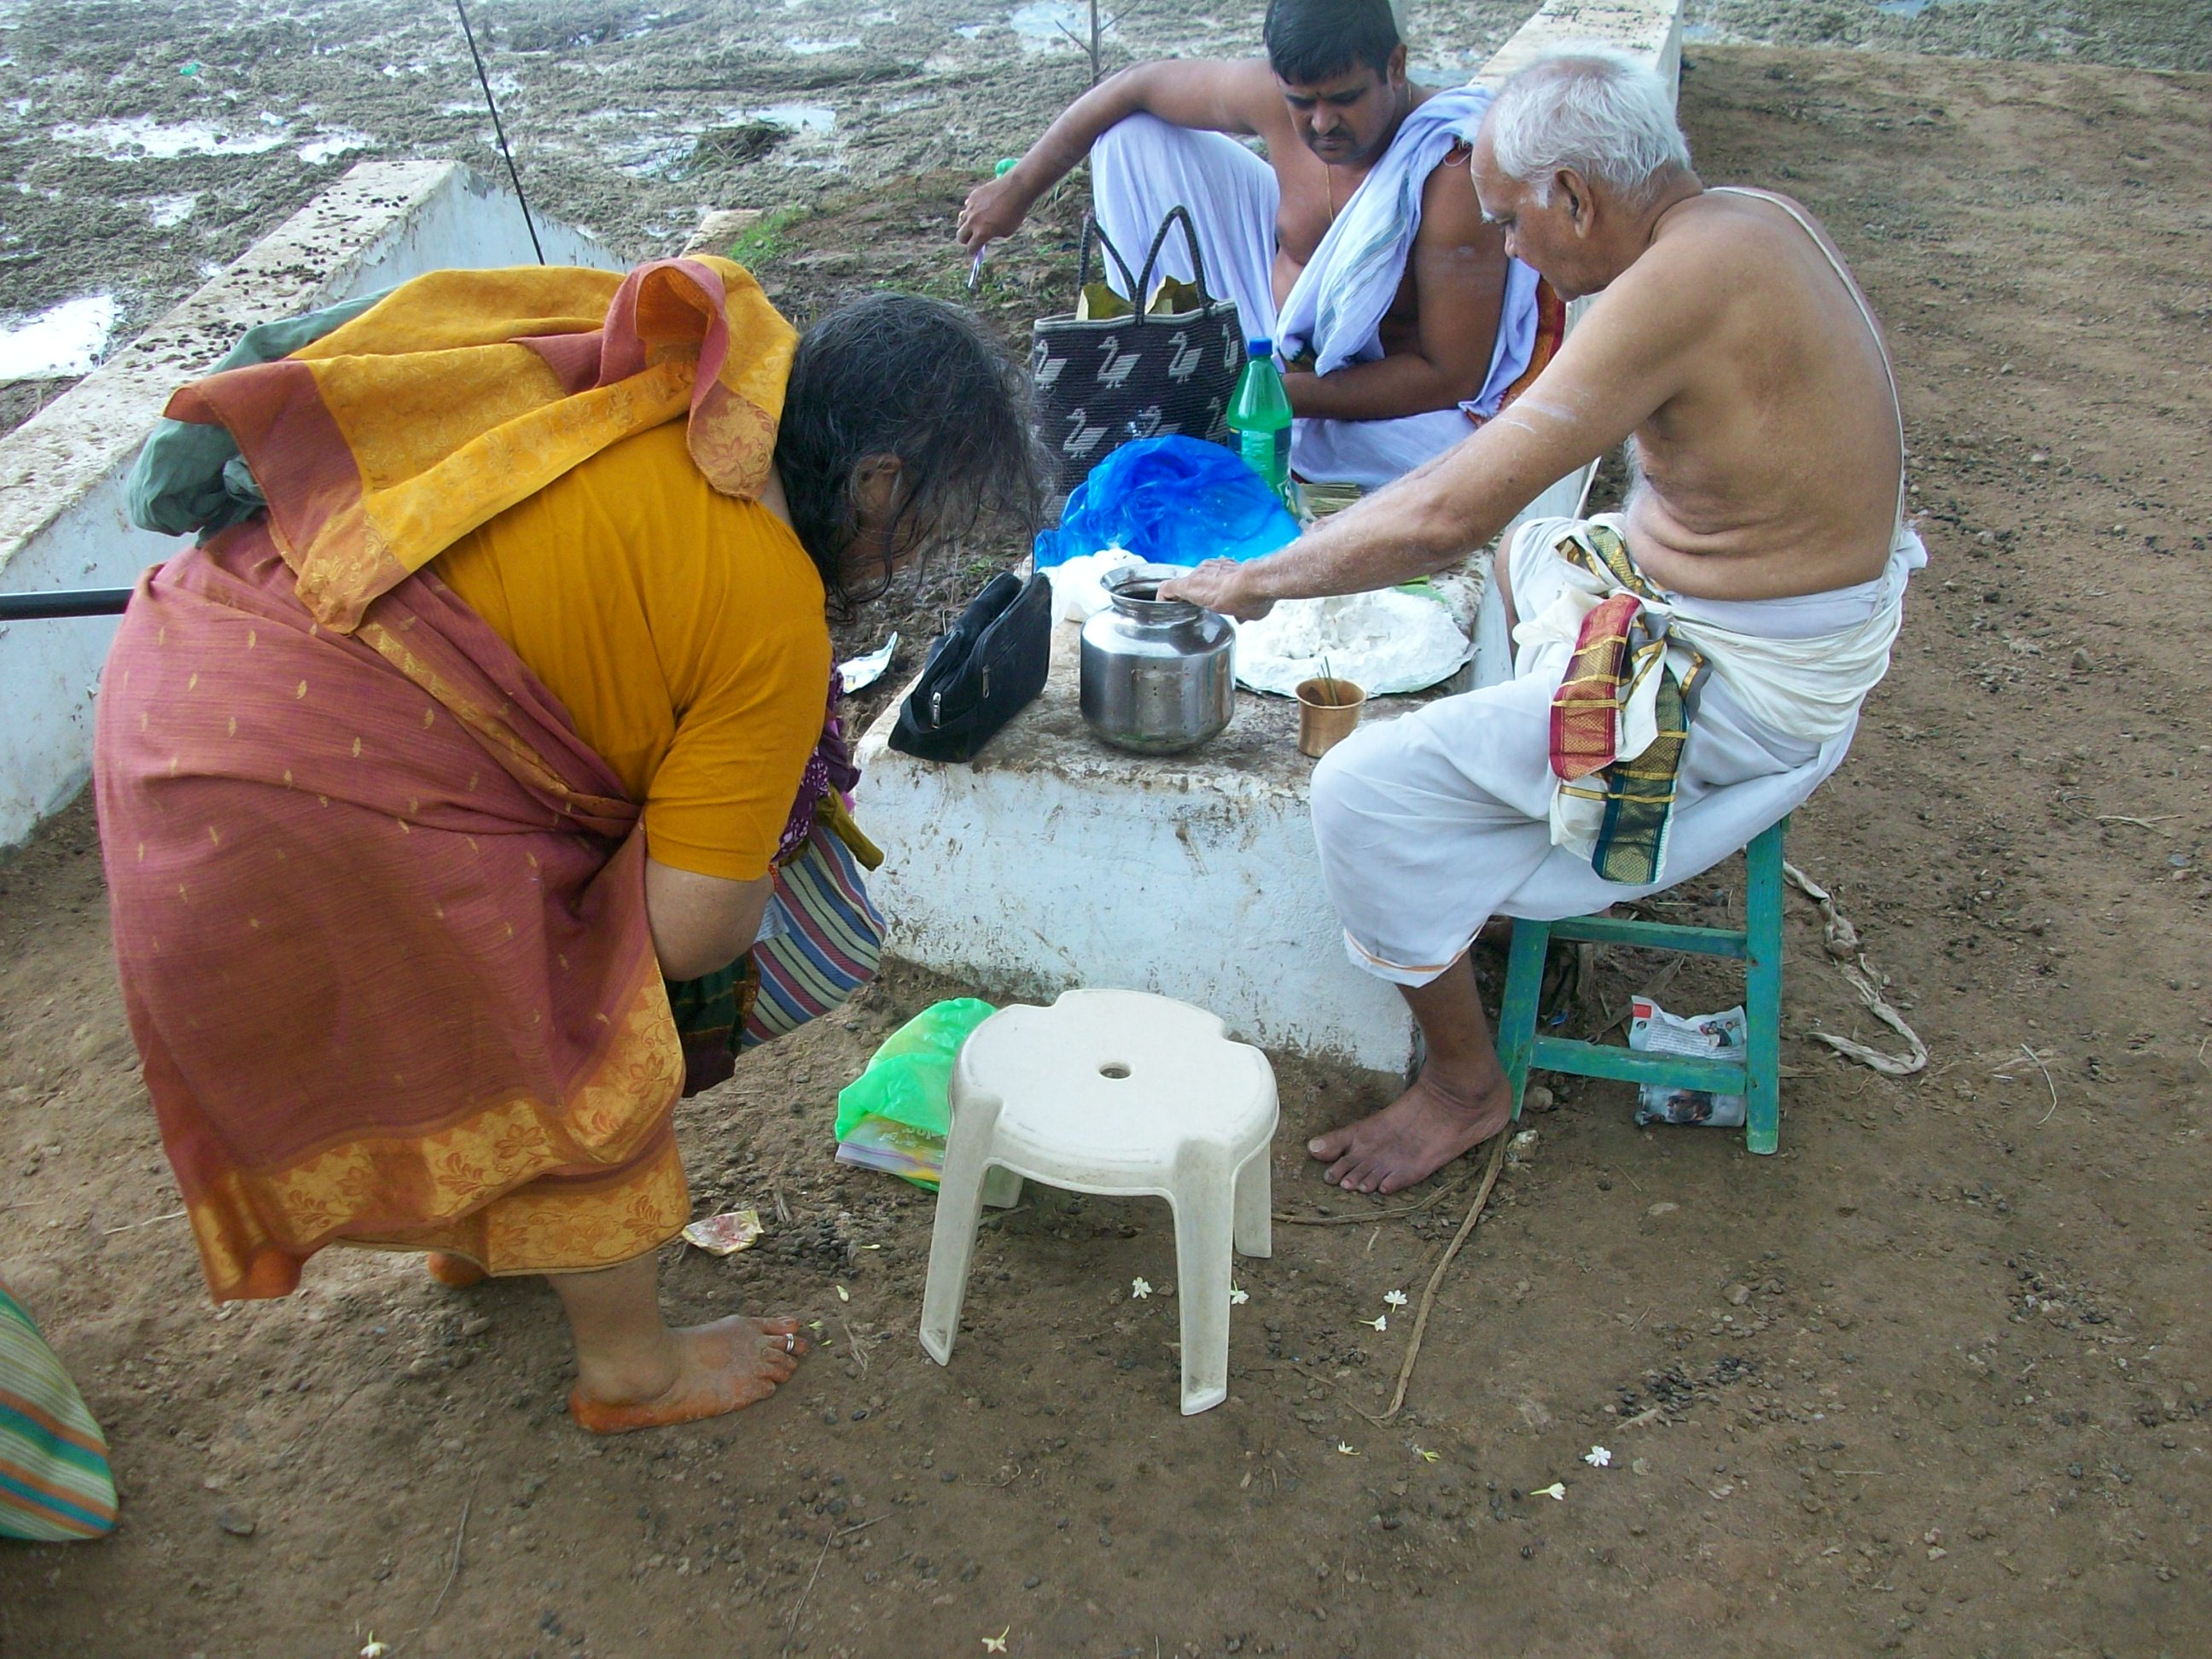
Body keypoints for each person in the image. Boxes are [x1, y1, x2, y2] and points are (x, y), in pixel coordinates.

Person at [96, 260, 1039, 1432]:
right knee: (575, 1011)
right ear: (878, 481)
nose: (909, 564)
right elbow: (693, 933)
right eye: (925, 533)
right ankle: (634, 1371)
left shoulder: (670, 366)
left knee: (483, 975)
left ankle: (482, 1235)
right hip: (306, 775)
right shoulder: (766, 598)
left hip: (183, 679)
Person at [1163, 48, 1925, 1192]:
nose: (1514, 251)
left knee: (1361, 793)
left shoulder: (1676, 286)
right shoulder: (1742, 219)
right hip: (1761, 604)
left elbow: (1447, 514)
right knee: (1534, 555)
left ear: (1575, 196)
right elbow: (1485, 493)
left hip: (1753, 677)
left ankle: (1464, 1086)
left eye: (1514, 222)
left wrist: (1265, 581)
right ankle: (1510, 848)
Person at [956, 0, 1561, 488]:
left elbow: (1450, 376)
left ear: (1395, 66)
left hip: (1378, 397)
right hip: (1273, 328)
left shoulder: (1449, 170)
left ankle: (1217, 399)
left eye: (1345, 99)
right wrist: (1019, 187)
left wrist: (1273, 395)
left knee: (1450, 458)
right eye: (1302, 103)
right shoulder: (1275, 99)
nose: (1321, 123)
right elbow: (1136, 85)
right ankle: (1168, 359)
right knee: (1131, 138)